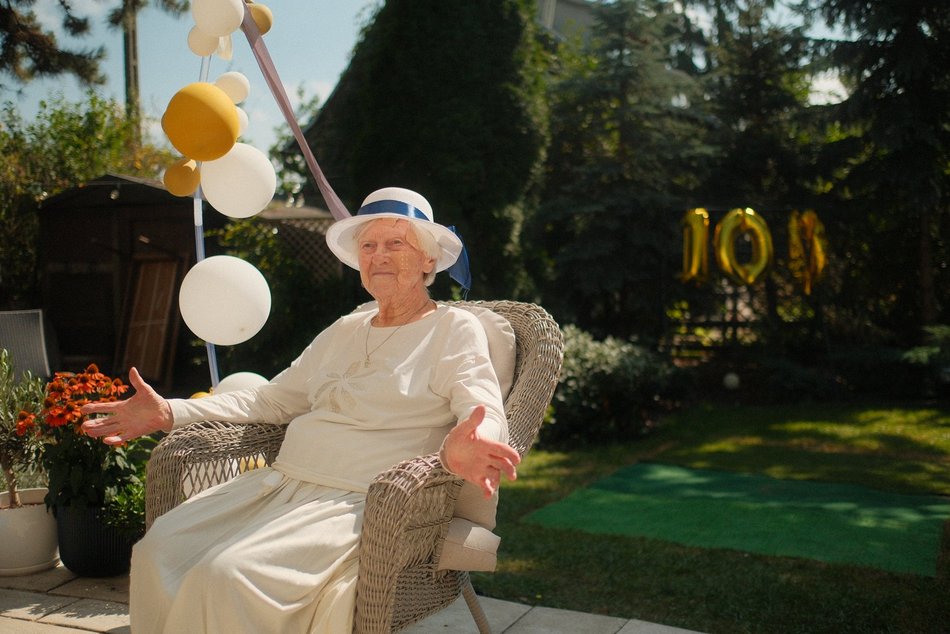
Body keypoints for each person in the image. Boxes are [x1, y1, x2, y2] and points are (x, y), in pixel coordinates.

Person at [80, 187, 521, 633]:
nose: (378, 256)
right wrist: (170, 412)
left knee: (227, 574)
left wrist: (472, 443)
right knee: (160, 548)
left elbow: (480, 404)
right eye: (368, 245)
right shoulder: (344, 328)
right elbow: (270, 398)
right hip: (280, 487)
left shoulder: (453, 327)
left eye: (395, 244)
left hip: (359, 503)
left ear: (429, 260)